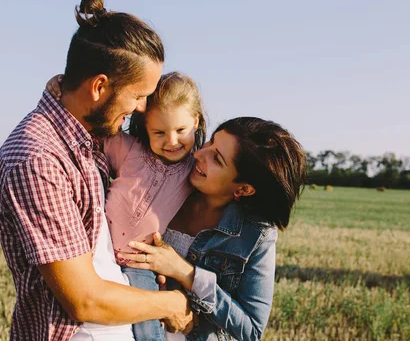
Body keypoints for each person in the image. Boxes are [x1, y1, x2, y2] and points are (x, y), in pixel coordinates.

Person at [0, 0, 193, 341]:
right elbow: (85, 301)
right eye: (137, 94)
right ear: (99, 86)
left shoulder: (86, 135)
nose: (143, 108)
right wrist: (172, 304)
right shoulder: (37, 160)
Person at [48, 70, 206, 340]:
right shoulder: (130, 150)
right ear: (145, 127)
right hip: (100, 252)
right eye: (159, 132)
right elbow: (89, 129)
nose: (171, 141)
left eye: (181, 130)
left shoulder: (194, 170)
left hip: (140, 264)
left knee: (147, 327)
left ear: (196, 121)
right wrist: (64, 85)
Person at [120, 117, 308, 340]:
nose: (199, 154)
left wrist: (184, 272)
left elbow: (251, 330)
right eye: (210, 142)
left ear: (244, 189)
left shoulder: (256, 235)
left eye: (216, 159)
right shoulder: (163, 182)